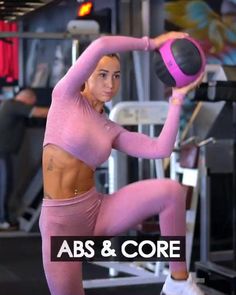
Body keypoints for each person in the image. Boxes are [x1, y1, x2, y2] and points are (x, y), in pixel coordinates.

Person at [40, 32, 205, 295]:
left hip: (96, 212)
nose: (110, 83)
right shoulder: (64, 97)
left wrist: (177, 98)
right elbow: (102, 44)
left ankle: (177, 280)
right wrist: (154, 43)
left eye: (116, 76)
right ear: (85, 75)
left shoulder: (109, 128)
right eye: (102, 74)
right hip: (60, 224)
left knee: (171, 190)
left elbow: (160, 149)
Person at [0, 88, 48, 230]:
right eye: (32, 102)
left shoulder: (11, 106)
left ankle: (5, 218)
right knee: (4, 187)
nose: (32, 105)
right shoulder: (13, 104)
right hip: (1, 153)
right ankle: (3, 220)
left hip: (5, 153)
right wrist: (66, 108)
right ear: (28, 99)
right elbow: (39, 112)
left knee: (6, 186)